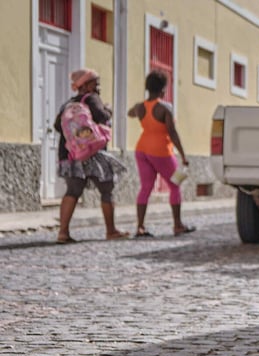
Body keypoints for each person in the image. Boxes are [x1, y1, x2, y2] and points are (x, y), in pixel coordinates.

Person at [54, 69, 129, 244]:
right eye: (95, 82)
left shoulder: (68, 104)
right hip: (94, 154)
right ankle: (111, 231)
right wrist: (108, 110)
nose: (98, 85)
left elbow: (58, 126)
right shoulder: (92, 99)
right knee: (106, 189)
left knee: (72, 191)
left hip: (71, 154)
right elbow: (102, 117)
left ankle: (63, 232)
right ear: (85, 85)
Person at [128, 70, 195, 237]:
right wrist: (183, 154)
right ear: (163, 90)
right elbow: (172, 133)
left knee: (145, 188)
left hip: (142, 149)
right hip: (161, 151)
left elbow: (130, 113)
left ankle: (140, 227)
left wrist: (138, 108)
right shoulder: (165, 108)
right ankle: (178, 225)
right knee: (175, 185)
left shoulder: (140, 107)